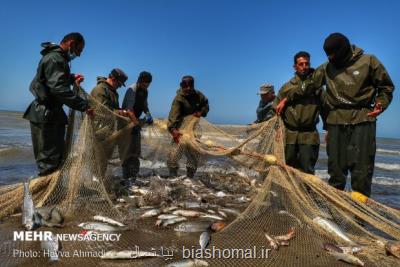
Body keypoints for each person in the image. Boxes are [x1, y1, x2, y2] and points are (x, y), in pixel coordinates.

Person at [276, 33, 394, 196]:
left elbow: (386, 87)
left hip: (362, 119)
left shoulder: (368, 61)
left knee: (361, 173)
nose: (332, 59)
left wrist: (381, 104)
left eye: (334, 56)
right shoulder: (326, 67)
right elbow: (308, 86)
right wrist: (287, 99)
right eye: (328, 56)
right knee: (336, 173)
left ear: (344, 50)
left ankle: (358, 218)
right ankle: (335, 212)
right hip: (336, 120)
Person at [23, 32, 92, 176]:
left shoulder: (59, 59)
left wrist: (71, 78)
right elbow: (58, 89)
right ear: (71, 43)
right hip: (45, 114)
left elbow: (55, 81)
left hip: (52, 114)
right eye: (79, 50)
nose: (78, 55)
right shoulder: (54, 59)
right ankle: (45, 197)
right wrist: (84, 105)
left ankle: (52, 195)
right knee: (48, 162)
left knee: (56, 159)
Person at [273, 51, 324, 174]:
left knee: (307, 171)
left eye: (307, 63)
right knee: (288, 169)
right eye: (301, 64)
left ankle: (306, 193)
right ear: (295, 66)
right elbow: (275, 109)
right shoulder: (286, 87)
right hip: (289, 134)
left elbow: (325, 108)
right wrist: (277, 130)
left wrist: (328, 129)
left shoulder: (317, 87)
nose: (304, 66)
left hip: (309, 135)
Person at [90, 68, 133, 177]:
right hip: (98, 130)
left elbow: (111, 108)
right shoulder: (100, 90)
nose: (119, 86)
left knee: (104, 159)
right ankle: (94, 184)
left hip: (108, 130)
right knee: (97, 159)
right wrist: (120, 112)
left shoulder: (112, 92)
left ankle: (99, 181)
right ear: (113, 78)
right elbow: (101, 110)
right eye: (119, 83)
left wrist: (121, 112)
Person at [167, 75, 209, 178]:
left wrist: (201, 112)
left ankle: (190, 176)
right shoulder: (178, 99)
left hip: (193, 130)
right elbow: (173, 115)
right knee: (174, 154)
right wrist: (173, 130)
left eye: (191, 86)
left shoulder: (198, 95)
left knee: (193, 153)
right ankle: (173, 175)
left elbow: (206, 105)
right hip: (179, 129)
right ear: (182, 86)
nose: (188, 88)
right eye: (186, 86)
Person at [120, 71, 154, 185]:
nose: (146, 86)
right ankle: (125, 177)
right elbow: (129, 110)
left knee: (135, 151)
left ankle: (133, 176)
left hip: (135, 123)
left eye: (148, 84)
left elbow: (144, 104)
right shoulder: (132, 89)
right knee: (126, 151)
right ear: (139, 81)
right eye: (144, 83)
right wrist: (136, 124)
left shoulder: (145, 91)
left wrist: (148, 114)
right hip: (126, 123)